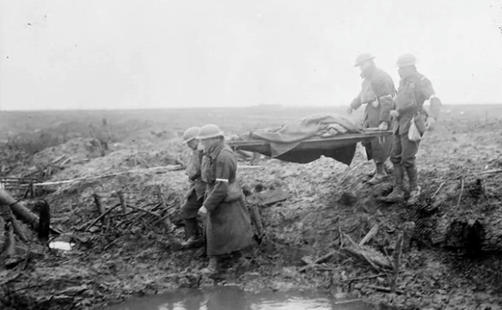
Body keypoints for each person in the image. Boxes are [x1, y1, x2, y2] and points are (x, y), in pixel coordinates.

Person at [380, 54, 441, 205]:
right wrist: (396, 111)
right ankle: (398, 190)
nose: (399, 71)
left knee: (407, 158)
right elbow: (403, 103)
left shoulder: (422, 81)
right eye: (399, 68)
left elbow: (434, 98)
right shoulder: (403, 82)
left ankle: (415, 189)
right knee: (395, 157)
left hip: (413, 123)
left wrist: (433, 116)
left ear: (411, 67)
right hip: (399, 123)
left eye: (402, 68)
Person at [197, 124, 254, 274]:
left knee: (217, 231)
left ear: (215, 138)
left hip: (224, 198)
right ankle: (240, 260)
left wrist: (207, 206)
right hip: (220, 196)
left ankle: (213, 266)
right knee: (225, 231)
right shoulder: (214, 152)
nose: (202, 143)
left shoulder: (223, 156)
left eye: (204, 140)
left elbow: (221, 186)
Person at [347, 53, 395, 185]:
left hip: (380, 113)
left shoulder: (380, 77)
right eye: (360, 65)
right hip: (370, 112)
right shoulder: (368, 79)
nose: (361, 67)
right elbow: (362, 94)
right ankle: (379, 167)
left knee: (378, 142)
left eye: (363, 64)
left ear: (370, 62)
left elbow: (387, 99)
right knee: (369, 142)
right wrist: (353, 105)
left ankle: (381, 173)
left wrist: (385, 120)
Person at [180, 126, 205, 248]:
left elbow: (195, 171)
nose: (188, 145)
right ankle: (194, 237)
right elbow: (190, 172)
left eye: (190, 142)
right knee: (186, 210)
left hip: (209, 189)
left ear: (197, 139)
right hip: (199, 187)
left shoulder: (204, 151)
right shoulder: (196, 152)